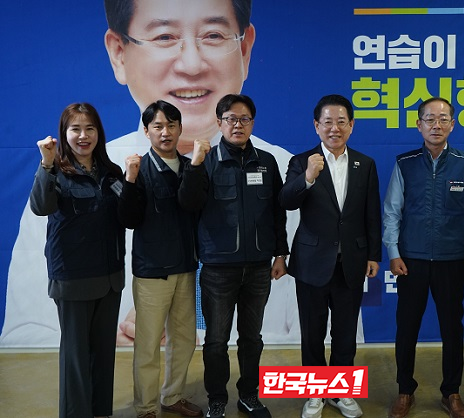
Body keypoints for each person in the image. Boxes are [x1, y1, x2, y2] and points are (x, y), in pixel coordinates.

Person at [0, 0, 299, 348]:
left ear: (244, 49)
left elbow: (319, 332)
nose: (191, 65)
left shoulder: (280, 167)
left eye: (213, 35)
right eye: (165, 37)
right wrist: (110, 342)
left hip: (234, 362)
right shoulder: (89, 173)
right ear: (119, 53)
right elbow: (23, 337)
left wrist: (211, 339)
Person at [383, 97, 464, 418]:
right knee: (407, 328)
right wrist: (393, 252)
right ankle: (405, 390)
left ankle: (451, 392)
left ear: (452, 124)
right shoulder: (405, 163)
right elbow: (392, 211)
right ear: (418, 124)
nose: (436, 125)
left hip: (451, 260)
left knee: (452, 329)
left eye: (443, 119)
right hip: (411, 260)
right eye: (430, 119)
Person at [178, 94, 288, 418]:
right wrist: (195, 164)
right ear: (219, 122)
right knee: (215, 341)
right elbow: (188, 204)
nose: (237, 125)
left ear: (252, 123)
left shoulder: (267, 161)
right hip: (217, 268)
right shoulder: (204, 161)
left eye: (244, 119)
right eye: (230, 119)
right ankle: (216, 399)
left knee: (252, 338)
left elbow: (277, 211)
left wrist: (280, 253)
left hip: (258, 268)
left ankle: (249, 396)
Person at [279, 94, 381, 418]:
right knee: (312, 334)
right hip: (312, 263)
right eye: (327, 122)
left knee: (345, 334)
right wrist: (308, 177)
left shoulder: (365, 164)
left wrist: (373, 254)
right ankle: (314, 393)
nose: (334, 128)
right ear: (316, 126)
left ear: (351, 125)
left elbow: (372, 213)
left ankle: (340, 392)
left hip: (351, 262)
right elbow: (286, 201)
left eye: (341, 122)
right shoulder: (301, 161)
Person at [30, 103, 125, 418]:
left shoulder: (112, 173)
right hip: (73, 277)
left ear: (99, 133)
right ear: (64, 133)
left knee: (103, 354)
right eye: (76, 129)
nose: (83, 136)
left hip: (110, 276)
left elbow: (125, 215)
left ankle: (100, 412)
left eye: (90, 128)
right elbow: (41, 207)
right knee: (75, 357)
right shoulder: (55, 171)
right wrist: (46, 163)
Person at [118, 101, 202, 418]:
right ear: (147, 131)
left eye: (171, 125)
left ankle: (173, 396)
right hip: (152, 272)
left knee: (184, 340)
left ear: (180, 129)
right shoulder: (138, 169)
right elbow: (128, 219)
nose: (165, 132)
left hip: (186, 268)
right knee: (148, 344)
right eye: (158, 126)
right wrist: (129, 180)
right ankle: (145, 407)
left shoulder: (192, 166)